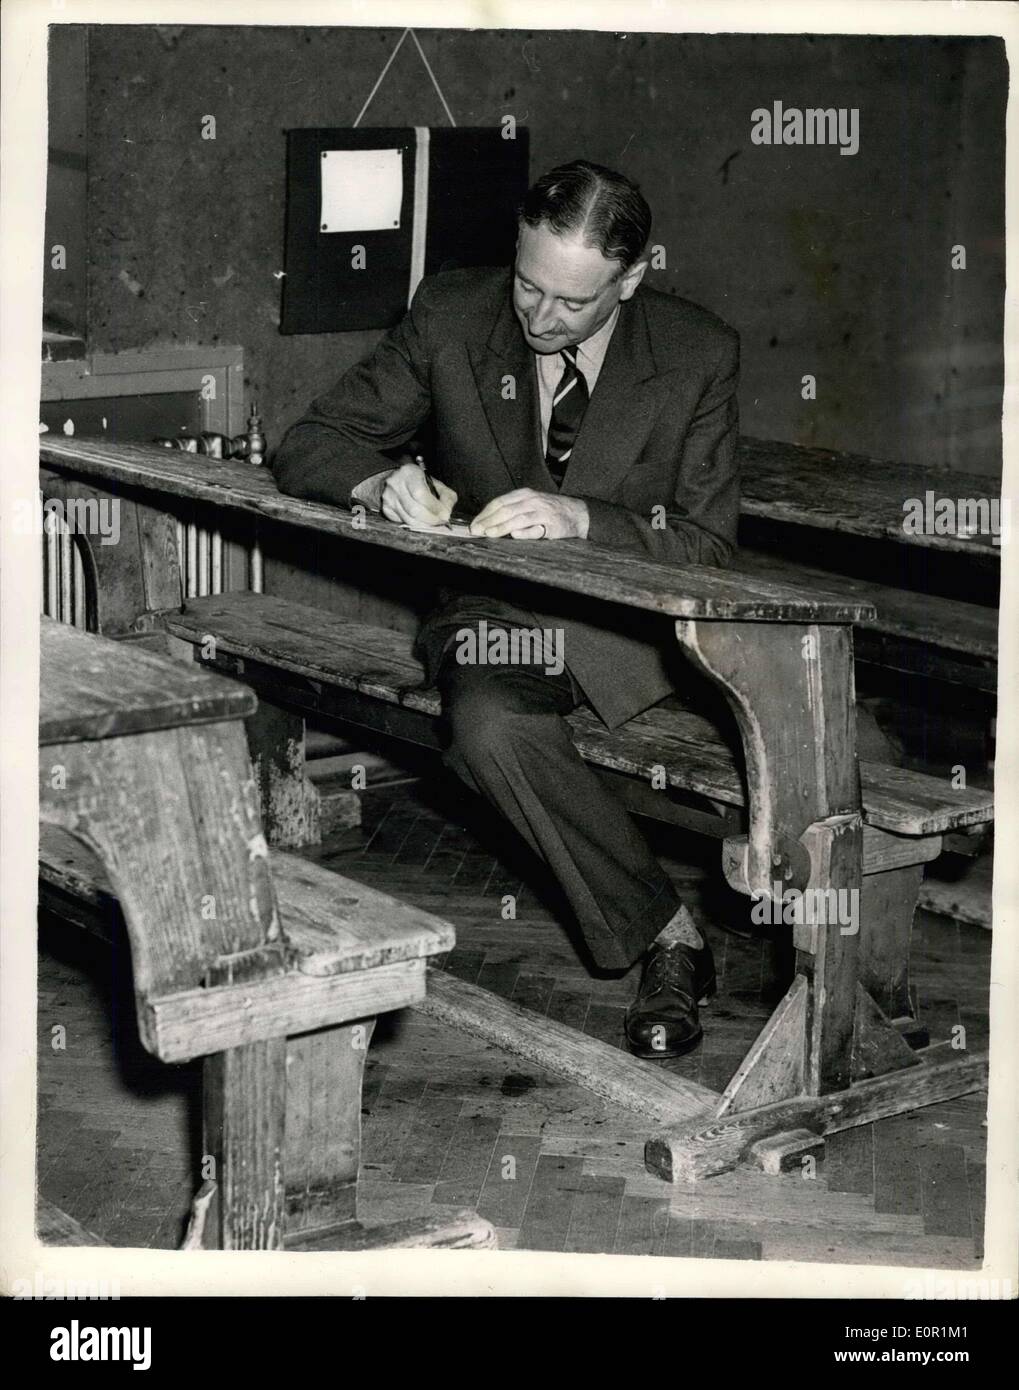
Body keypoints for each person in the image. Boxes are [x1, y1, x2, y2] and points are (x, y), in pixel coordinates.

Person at [272, 159, 740, 1058]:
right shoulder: (454, 313)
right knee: (485, 724)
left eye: (570, 303)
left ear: (632, 278)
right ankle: (665, 935)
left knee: (845, 755)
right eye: (527, 285)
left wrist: (582, 519)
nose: (536, 317)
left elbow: (708, 546)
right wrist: (376, 483)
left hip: (633, 629)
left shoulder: (695, 353)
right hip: (497, 615)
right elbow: (314, 439)